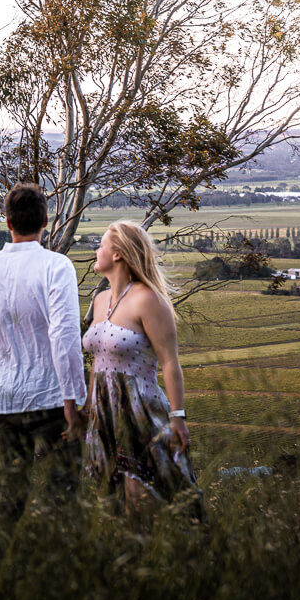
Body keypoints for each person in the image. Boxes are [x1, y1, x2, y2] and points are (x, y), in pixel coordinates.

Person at [0, 182, 87, 517]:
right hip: (52, 398)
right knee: (61, 498)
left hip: (4, 400)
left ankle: (6, 563)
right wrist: (73, 398)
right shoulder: (56, 266)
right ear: (45, 221)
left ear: (8, 223)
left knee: (11, 495)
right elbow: (64, 336)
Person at [83, 220, 204, 517]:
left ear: (118, 254)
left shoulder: (149, 300)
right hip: (104, 412)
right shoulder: (99, 301)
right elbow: (98, 362)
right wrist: (88, 408)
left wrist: (178, 417)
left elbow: (169, 361)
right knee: (112, 503)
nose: (95, 250)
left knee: (143, 494)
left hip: (140, 410)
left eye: (101, 245)